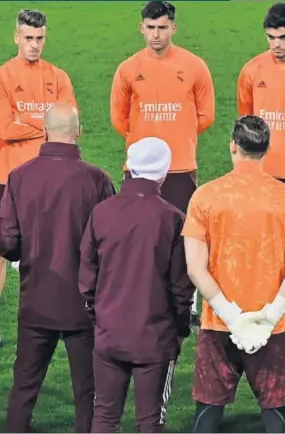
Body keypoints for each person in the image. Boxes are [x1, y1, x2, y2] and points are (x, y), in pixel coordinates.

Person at [0, 102, 116, 433]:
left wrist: (27, 252)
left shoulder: (19, 177)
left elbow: (6, 241)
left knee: (24, 388)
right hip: (85, 304)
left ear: (45, 132)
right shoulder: (98, 180)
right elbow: (111, 243)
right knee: (88, 394)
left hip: (36, 299)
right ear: (78, 131)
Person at [110, 0, 215, 326]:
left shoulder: (195, 66)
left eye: (163, 28)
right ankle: (144, 301)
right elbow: (119, 118)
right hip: (139, 172)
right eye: (151, 28)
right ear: (142, 28)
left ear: (173, 27)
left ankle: (188, 307)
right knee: (140, 238)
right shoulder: (128, 69)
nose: (157, 35)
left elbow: (206, 116)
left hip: (180, 168)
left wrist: (176, 137)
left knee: (187, 237)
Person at [78, 137, 194, 432]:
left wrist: (100, 317)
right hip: (155, 338)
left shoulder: (101, 212)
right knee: (151, 419)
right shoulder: (173, 219)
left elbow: (87, 279)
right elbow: (182, 288)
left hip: (109, 333)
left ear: (128, 167)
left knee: (103, 415)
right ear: (164, 173)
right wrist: (180, 330)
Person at [0, 8, 78, 347]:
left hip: (51, 177)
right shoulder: (1, 78)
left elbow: (71, 127)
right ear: (16, 37)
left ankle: (44, 319)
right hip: (8, 177)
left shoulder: (59, 76)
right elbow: (6, 129)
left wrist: (30, 122)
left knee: (50, 248)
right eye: (28, 38)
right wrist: (50, 125)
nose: (34, 45)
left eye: (39, 38)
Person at [183, 115, 285, 433]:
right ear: (266, 149)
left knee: (208, 413)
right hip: (277, 328)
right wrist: (269, 316)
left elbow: (194, 268)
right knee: (277, 413)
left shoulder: (205, 197)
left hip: (219, 324)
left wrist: (233, 317)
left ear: (233, 146)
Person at [237, 2, 285, 182]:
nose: (276, 44)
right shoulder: (251, 70)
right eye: (271, 37)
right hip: (263, 172)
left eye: (283, 37)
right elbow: (246, 122)